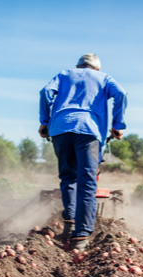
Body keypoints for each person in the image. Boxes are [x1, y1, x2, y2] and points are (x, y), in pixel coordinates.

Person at [39, 53, 128, 251]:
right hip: (89, 130)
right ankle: (80, 237)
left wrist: (44, 122)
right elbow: (121, 94)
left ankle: (70, 223)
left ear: (78, 66)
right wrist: (118, 124)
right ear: (96, 68)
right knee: (87, 181)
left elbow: (45, 92)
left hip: (60, 128)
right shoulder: (104, 77)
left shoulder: (64, 75)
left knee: (68, 177)